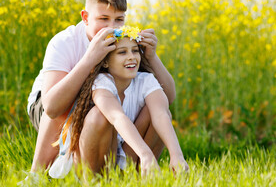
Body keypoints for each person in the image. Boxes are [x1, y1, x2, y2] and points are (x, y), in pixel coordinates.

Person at [26, 0, 176, 174]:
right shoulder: (65, 41)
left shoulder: (126, 42)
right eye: (103, 19)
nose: (111, 27)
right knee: (84, 106)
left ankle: (129, 172)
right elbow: (52, 107)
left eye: (119, 20)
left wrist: (152, 57)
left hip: (105, 101)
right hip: (50, 105)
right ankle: (37, 173)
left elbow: (168, 97)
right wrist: (90, 59)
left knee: (154, 108)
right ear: (86, 17)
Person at [48, 27, 188, 178]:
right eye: (122, 52)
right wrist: (145, 153)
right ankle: (95, 181)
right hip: (91, 160)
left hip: (125, 156)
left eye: (135, 50)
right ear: (106, 62)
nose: (131, 57)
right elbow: (117, 117)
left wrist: (176, 155)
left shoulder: (146, 80)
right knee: (98, 116)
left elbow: (160, 115)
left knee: (160, 111)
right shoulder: (101, 82)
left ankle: (136, 176)